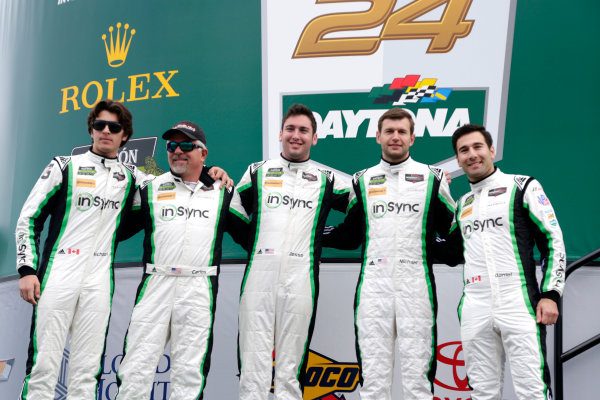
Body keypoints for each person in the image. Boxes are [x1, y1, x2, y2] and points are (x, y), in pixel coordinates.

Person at [15, 99, 145, 399]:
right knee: (44, 365)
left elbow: (170, 179)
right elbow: (28, 218)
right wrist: (27, 270)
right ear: (91, 129)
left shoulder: (133, 176)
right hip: (59, 273)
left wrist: (213, 173)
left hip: (99, 279)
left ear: (125, 135)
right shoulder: (64, 166)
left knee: (87, 369)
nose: (106, 131)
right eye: (100, 125)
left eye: (114, 127)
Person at [322, 108, 456, 399]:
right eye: (389, 131)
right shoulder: (362, 179)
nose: (395, 137)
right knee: (373, 380)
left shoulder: (432, 178)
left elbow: (454, 233)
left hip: (417, 287)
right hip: (373, 288)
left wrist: (431, 244)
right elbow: (350, 235)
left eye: (402, 132)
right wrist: (309, 238)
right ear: (377, 137)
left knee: (418, 381)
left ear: (412, 138)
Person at [115, 121, 248, 399]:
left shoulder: (224, 191)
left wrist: (311, 250)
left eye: (187, 145)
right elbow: (116, 229)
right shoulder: (151, 188)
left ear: (203, 154)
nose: (178, 151)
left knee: (189, 374)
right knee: (135, 369)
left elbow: (250, 238)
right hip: (156, 283)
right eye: (172, 146)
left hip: (198, 287)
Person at [230, 104, 350, 399]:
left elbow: (364, 215)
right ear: (281, 134)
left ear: (315, 138)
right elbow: (234, 213)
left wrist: (321, 240)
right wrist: (255, 245)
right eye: (291, 129)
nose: (296, 136)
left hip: (301, 277)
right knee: (253, 364)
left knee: (291, 367)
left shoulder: (328, 179)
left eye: (303, 131)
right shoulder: (257, 172)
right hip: (259, 274)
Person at [445, 124, 566, 399]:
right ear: (458, 159)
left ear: (491, 150)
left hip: (519, 300)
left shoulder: (522, 185)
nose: (472, 154)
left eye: (477, 147)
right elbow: (449, 252)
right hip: (475, 304)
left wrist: (550, 294)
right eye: (464, 150)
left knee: (532, 390)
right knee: (482, 392)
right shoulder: (461, 203)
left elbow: (552, 240)